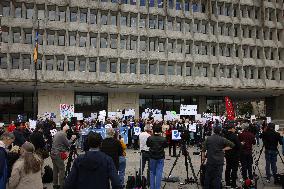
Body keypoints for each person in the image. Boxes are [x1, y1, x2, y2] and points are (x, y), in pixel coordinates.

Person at [51, 123, 76, 189]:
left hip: (53, 153)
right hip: (58, 154)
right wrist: (72, 139)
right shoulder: (62, 134)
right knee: (62, 169)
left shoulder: (58, 133)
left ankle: (55, 185)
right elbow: (68, 144)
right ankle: (62, 186)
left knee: (55, 170)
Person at [146, 124, 167, 189]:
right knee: (159, 172)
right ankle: (157, 187)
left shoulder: (150, 138)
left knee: (152, 172)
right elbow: (165, 146)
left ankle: (152, 187)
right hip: (160, 157)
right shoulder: (163, 138)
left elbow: (148, 145)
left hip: (152, 156)